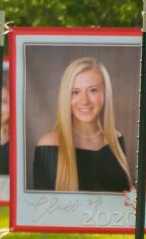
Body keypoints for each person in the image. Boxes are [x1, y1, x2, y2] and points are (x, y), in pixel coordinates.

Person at [31, 57, 132, 192]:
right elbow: (40, 210)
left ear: (105, 93)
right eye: (75, 92)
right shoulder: (49, 144)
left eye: (93, 90)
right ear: (65, 96)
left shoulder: (116, 138)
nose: (84, 101)